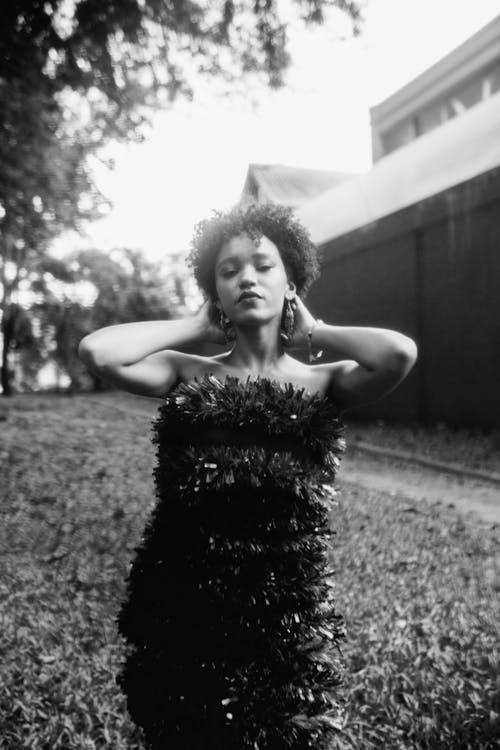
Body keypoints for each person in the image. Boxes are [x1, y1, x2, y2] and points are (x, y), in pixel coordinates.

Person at [79, 201, 417, 750]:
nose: (246, 278)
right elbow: (97, 351)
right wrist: (194, 325)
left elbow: (398, 354)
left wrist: (318, 329)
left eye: (262, 265)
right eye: (229, 270)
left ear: (291, 281)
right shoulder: (187, 372)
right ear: (216, 292)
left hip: (285, 608)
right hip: (182, 599)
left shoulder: (323, 381)